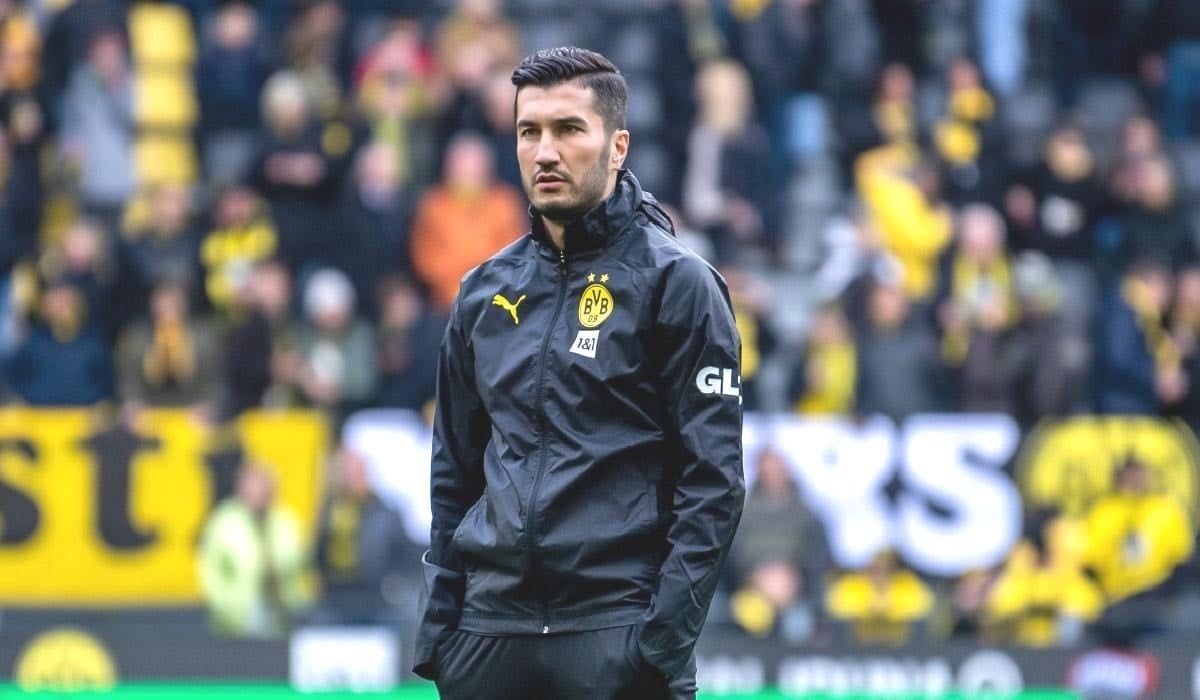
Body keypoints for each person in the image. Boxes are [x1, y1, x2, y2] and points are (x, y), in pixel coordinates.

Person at [413, 47, 744, 699]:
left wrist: (660, 645)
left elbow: (714, 483)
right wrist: (441, 634)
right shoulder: (483, 293)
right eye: (528, 131)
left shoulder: (677, 284)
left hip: (616, 636)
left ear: (618, 147)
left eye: (568, 129)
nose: (544, 152)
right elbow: (454, 471)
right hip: (488, 640)